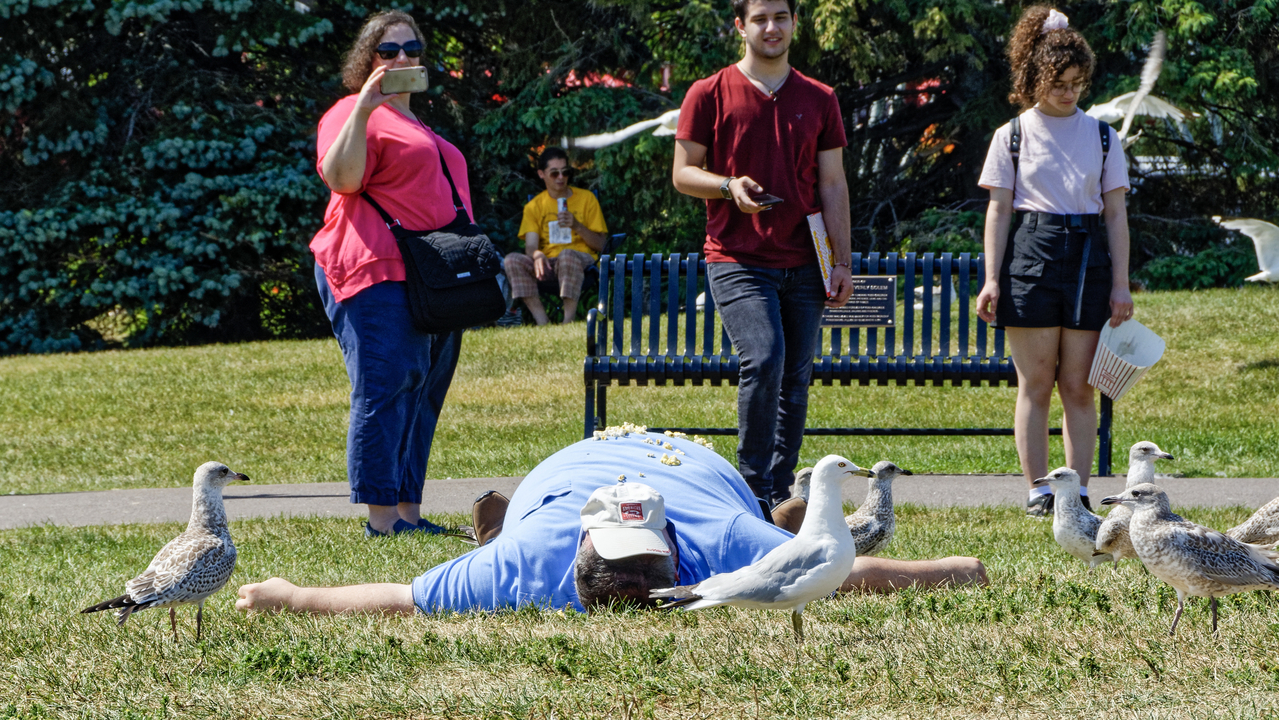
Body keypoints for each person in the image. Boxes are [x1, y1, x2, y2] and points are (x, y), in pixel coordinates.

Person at [236, 429, 987, 616]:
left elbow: (399, 596)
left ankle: (774, 514)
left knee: (770, 535)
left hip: (654, 462)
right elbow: (842, 573)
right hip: (650, 463)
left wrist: (293, 595)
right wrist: (955, 570)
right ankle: (774, 516)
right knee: (770, 535)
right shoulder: (709, 547)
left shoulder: (529, 565)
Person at [671, 0, 854, 505]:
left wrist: (842, 262)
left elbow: (833, 184)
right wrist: (729, 186)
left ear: (796, 22)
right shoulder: (708, 93)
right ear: (740, 26)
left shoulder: (819, 97)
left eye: (781, 17)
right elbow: (683, 173)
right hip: (736, 257)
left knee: (795, 374)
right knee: (765, 356)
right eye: (759, 18)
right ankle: (750, 488)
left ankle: (778, 493)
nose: (771, 27)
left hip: (805, 258)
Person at [310, 11, 472, 537]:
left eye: (412, 48)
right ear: (368, 60)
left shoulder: (419, 124)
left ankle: (407, 512)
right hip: (372, 269)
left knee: (424, 388)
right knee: (387, 385)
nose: (403, 58)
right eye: (389, 51)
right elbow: (343, 178)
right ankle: (381, 521)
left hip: (432, 275)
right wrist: (363, 108)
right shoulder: (348, 112)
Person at [974, 6, 1133, 517]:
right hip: (1032, 256)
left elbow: (1116, 215)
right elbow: (999, 210)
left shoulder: (1104, 137)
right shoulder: (1012, 135)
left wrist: (1122, 285)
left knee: (1079, 386)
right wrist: (992, 279)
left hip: (1090, 260)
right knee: (1036, 382)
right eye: (1059, 82)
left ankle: (1078, 493)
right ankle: (1039, 491)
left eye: (1077, 83)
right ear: (1033, 76)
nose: (1069, 92)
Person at [502, 147, 609, 325]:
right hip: (548, 264)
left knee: (567, 255)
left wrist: (577, 225)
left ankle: (568, 321)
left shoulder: (587, 199)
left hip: (581, 261)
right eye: (554, 173)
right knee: (511, 260)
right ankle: (542, 322)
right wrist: (537, 254)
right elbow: (530, 247)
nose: (561, 177)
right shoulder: (535, 206)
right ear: (541, 174)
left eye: (565, 172)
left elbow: (602, 245)